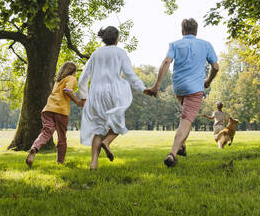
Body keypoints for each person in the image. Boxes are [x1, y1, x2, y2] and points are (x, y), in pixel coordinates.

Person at [144, 18, 219, 167]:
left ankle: (182, 146)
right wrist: (208, 81)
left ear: (182, 31)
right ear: (196, 31)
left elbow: (166, 62)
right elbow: (216, 67)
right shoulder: (206, 45)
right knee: (186, 120)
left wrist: (156, 86)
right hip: (195, 88)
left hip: (179, 87)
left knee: (187, 117)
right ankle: (172, 154)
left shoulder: (175, 44)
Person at [77, 26, 146, 170]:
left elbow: (83, 78)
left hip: (96, 94)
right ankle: (107, 142)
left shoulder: (95, 54)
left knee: (98, 129)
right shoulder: (120, 53)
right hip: (113, 93)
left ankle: (93, 163)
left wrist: (83, 96)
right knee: (118, 124)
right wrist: (143, 88)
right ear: (117, 38)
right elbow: (130, 75)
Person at [26, 61, 84, 168]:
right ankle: (60, 162)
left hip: (48, 109)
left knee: (47, 131)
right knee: (62, 138)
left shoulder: (58, 81)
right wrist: (78, 102)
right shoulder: (71, 78)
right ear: (73, 71)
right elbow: (68, 90)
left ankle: (35, 148)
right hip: (61, 110)